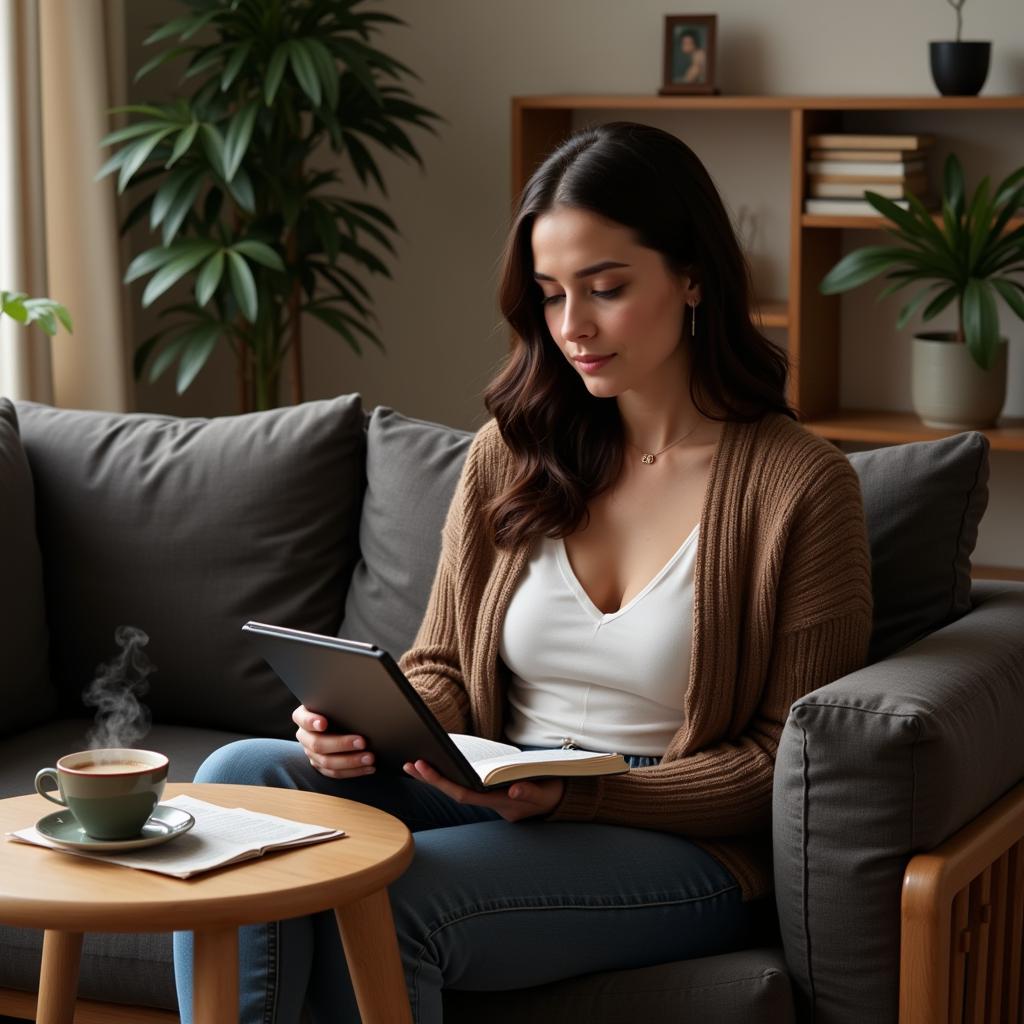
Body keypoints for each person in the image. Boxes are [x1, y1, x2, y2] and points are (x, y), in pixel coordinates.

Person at [174, 121, 872, 1023]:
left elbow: (790, 761)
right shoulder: (514, 450)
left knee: (382, 899)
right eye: (549, 296)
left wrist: (585, 792)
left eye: (607, 288)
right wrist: (376, 729)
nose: (573, 326)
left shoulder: (802, 487)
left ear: (693, 275)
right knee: (243, 778)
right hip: (494, 784)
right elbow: (442, 667)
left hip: (672, 840)